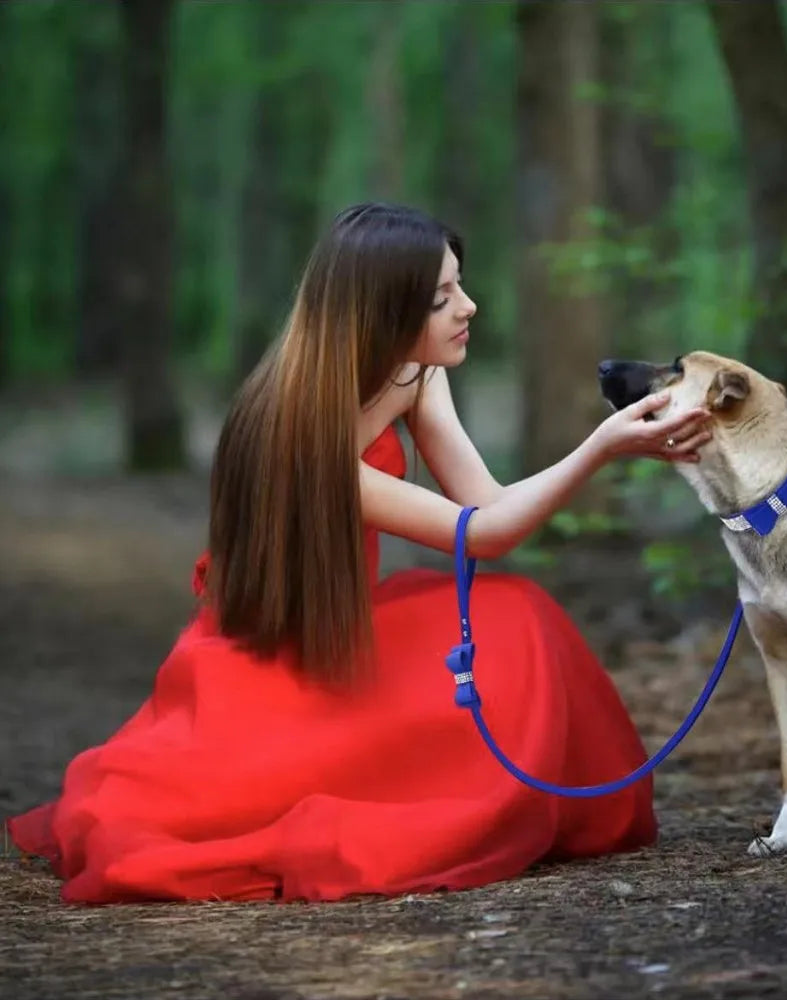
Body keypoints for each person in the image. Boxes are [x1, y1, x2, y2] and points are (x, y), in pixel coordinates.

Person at [6, 203, 712, 903]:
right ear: (382, 310)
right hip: (278, 656)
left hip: (345, 621)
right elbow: (485, 538)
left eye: (459, 284)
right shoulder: (301, 434)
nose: (468, 306)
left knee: (520, 616)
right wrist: (601, 448)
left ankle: (558, 806)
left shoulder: (414, 372)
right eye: (442, 298)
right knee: (511, 622)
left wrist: (611, 445)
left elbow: (487, 505)